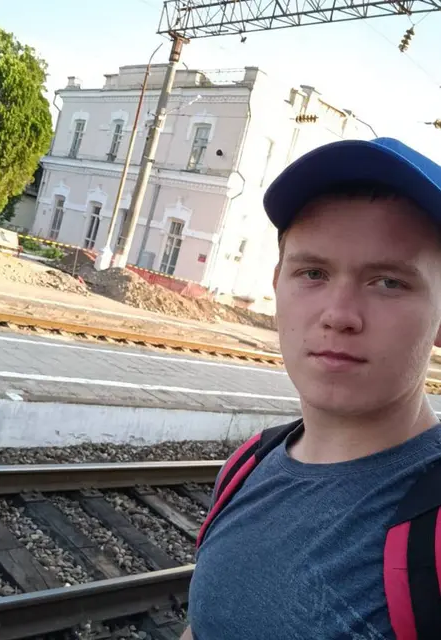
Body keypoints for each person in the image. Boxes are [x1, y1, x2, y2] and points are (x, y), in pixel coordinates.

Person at [182, 137, 441, 639]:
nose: (339, 315)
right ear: (277, 283)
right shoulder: (246, 467)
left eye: (388, 282)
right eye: (314, 273)